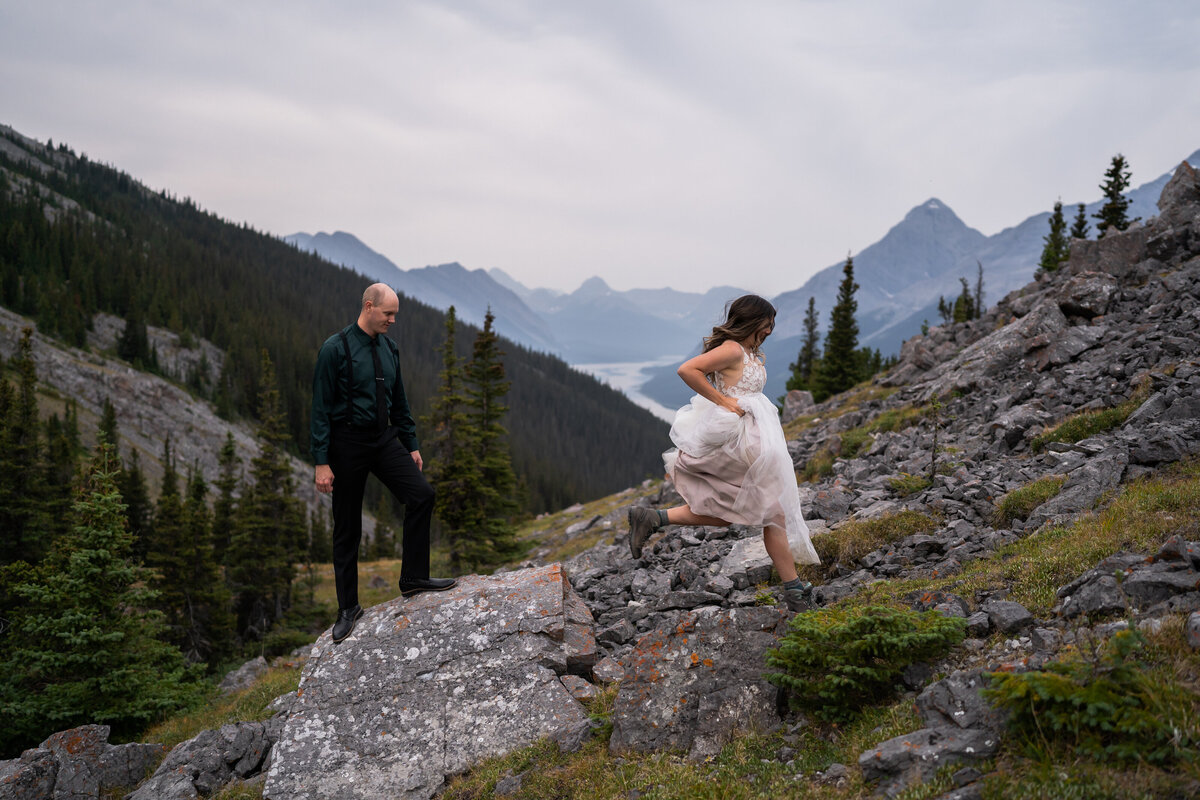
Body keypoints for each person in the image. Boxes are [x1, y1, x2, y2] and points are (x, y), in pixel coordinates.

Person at [627, 294, 820, 612]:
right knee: (768, 514)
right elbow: (688, 370)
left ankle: (652, 518)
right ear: (753, 320)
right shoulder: (732, 348)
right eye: (768, 323)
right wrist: (723, 401)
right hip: (740, 440)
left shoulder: (747, 350)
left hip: (754, 436)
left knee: (735, 514)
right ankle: (795, 593)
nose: (771, 329)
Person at [312, 283, 456, 642]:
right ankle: (348, 609)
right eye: (388, 313)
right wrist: (321, 461)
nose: (393, 320)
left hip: (383, 438)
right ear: (368, 306)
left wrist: (411, 443)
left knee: (422, 495)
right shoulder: (335, 348)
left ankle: (413, 579)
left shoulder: (390, 348)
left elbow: (400, 401)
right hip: (346, 444)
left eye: (395, 315)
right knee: (347, 527)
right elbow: (319, 409)